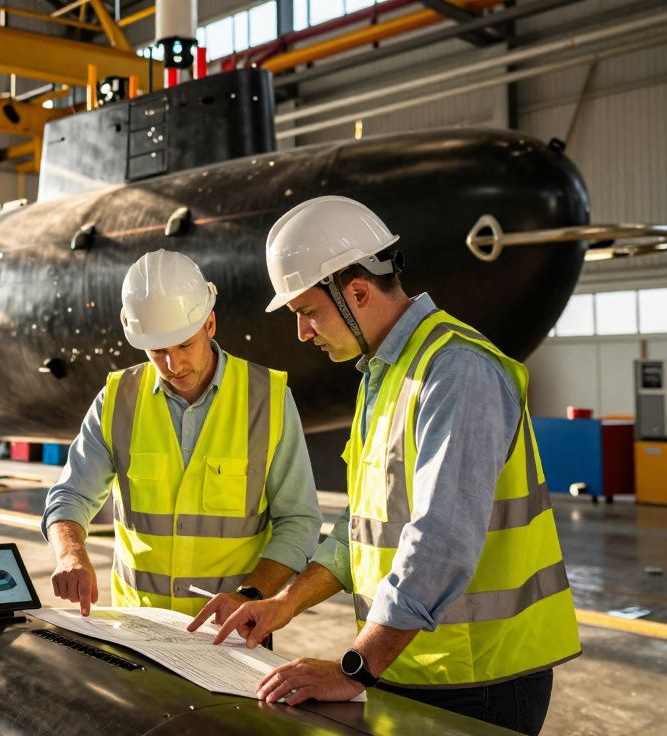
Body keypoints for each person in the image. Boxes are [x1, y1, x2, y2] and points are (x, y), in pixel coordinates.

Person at [194, 196, 580, 736]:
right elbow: (361, 528)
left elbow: (442, 539)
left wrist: (353, 668)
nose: (302, 332)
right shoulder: (386, 374)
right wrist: (284, 604)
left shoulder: (455, 371)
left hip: (480, 679)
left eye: (308, 312)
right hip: (410, 665)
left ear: (357, 292)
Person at [41, 249, 321, 621]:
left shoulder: (268, 399)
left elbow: (298, 521)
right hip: (136, 626)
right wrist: (70, 554)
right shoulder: (117, 400)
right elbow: (71, 496)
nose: (174, 365)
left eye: (185, 345)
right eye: (158, 351)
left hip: (231, 629)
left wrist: (250, 594)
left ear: (210, 324)